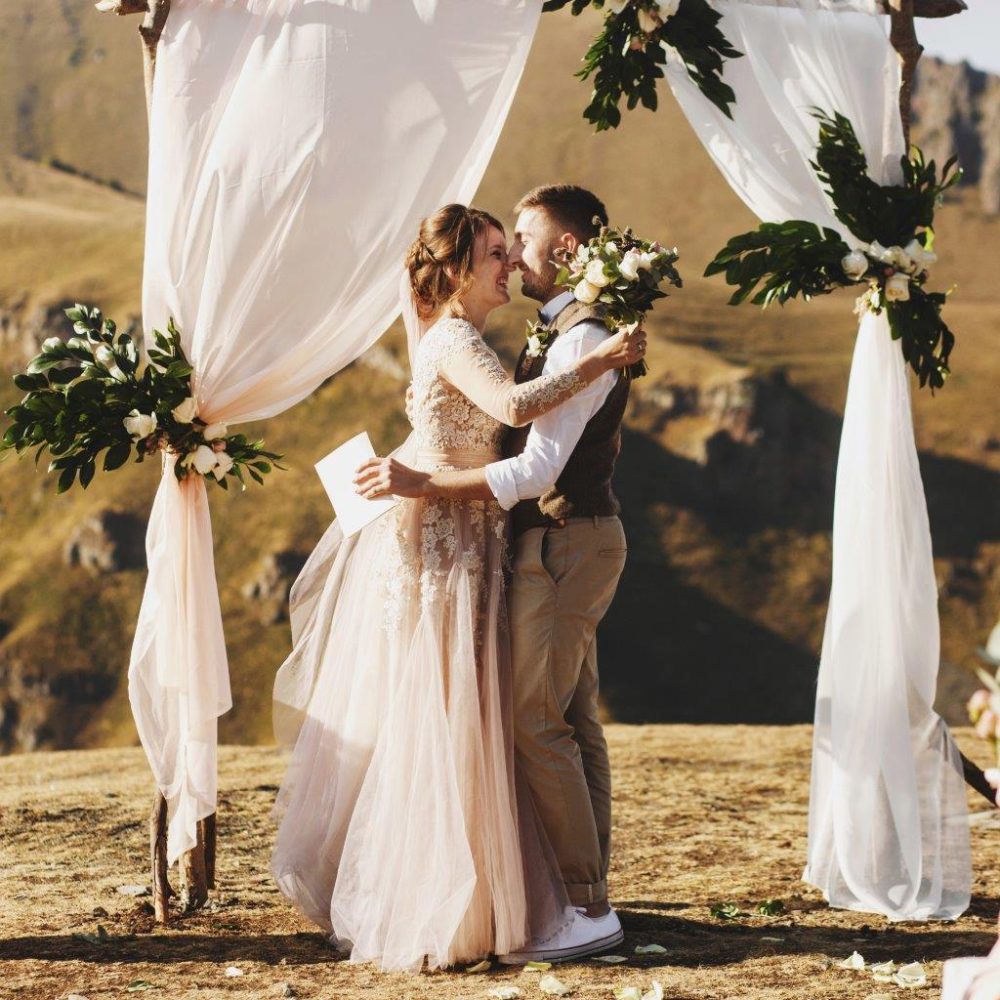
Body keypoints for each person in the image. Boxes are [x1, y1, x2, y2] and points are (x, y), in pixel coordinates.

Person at [270, 202, 645, 972]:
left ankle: (524, 891)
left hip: (475, 538)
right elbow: (510, 408)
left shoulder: (463, 337)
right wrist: (599, 362)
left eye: (513, 247)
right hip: (447, 543)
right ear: (460, 268)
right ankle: (454, 891)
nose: (508, 263)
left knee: (473, 714)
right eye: (496, 252)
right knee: (445, 712)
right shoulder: (456, 338)